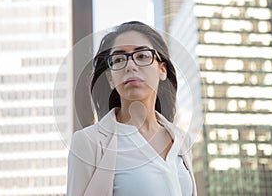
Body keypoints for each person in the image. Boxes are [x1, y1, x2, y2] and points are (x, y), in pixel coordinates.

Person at [67, 21, 197, 196]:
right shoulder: (88, 142)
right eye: (119, 59)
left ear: (162, 70)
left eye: (142, 56)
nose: (130, 66)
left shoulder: (181, 139)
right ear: (111, 79)